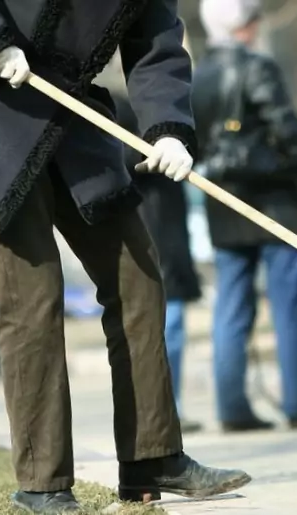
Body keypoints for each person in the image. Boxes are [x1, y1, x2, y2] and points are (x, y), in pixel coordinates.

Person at [0, 1, 251, 512]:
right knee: (33, 300)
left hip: (68, 110)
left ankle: (152, 457)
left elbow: (157, 43)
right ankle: (42, 483)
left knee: (138, 276)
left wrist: (168, 127)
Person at [192, 0, 297, 432]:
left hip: (222, 200)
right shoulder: (259, 67)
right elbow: (289, 131)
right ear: (244, 24)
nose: (259, 24)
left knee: (231, 307)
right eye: (253, 17)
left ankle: (232, 407)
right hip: (274, 200)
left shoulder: (195, 77)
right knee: (289, 303)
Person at [113, 88, 205, 434]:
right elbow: (120, 159)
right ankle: (162, 411)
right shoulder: (123, 109)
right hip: (150, 235)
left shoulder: (161, 106)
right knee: (166, 328)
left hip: (165, 233)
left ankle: (169, 407)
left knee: (171, 326)